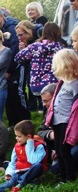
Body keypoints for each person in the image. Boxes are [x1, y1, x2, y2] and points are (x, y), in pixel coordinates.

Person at [0, 7, 31, 126]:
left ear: (1, 17)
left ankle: (25, 122)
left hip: (17, 67)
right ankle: (13, 123)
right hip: (5, 70)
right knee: (9, 95)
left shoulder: (12, 29)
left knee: (18, 93)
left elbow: (14, 50)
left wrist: (9, 69)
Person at [45, 49, 78, 183]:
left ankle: (69, 178)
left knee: (65, 151)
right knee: (58, 150)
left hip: (67, 123)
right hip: (56, 121)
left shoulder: (75, 84)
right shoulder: (63, 82)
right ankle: (62, 177)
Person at [15, 22, 64, 104]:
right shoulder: (59, 48)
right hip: (53, 84)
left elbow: (18, 58)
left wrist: (23, 50)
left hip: (36, 84)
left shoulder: (35, 46)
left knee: (45, 105)